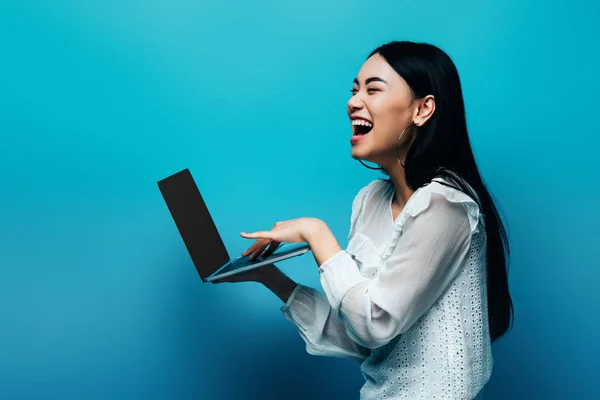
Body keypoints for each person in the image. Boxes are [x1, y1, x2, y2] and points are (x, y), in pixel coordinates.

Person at [212, 40, 514, 400]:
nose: (353, 102)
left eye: (373, 89)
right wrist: (268, 276)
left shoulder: (446, 206)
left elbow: (375, 323)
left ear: (422, 109)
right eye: (355, 90)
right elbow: (361, 337)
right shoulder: (370, 201)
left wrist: (316, 233)